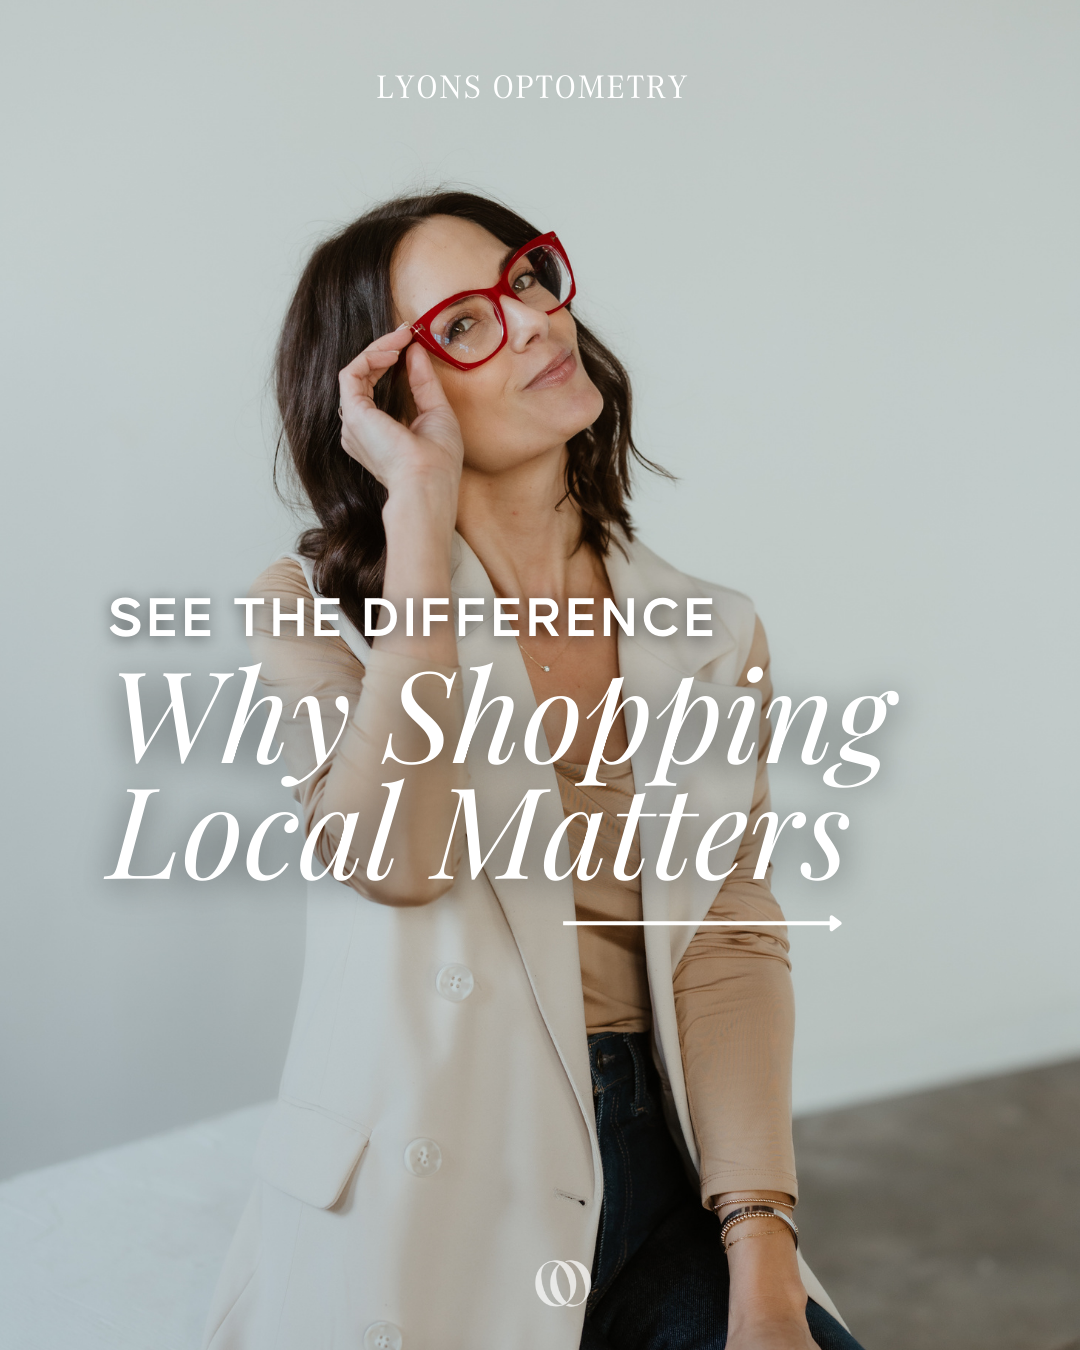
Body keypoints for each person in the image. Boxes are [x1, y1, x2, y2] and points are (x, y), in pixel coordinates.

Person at [202, 190, 865, 1350]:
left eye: (525, 278)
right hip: (432, 1197)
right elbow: (396, 863)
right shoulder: (312, 612)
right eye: (463, 324)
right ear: (386, 397)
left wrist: (762, 1257)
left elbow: (728, 945)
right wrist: (420, 515)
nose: (532, 320)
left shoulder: (712, 631)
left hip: (666, 1167)